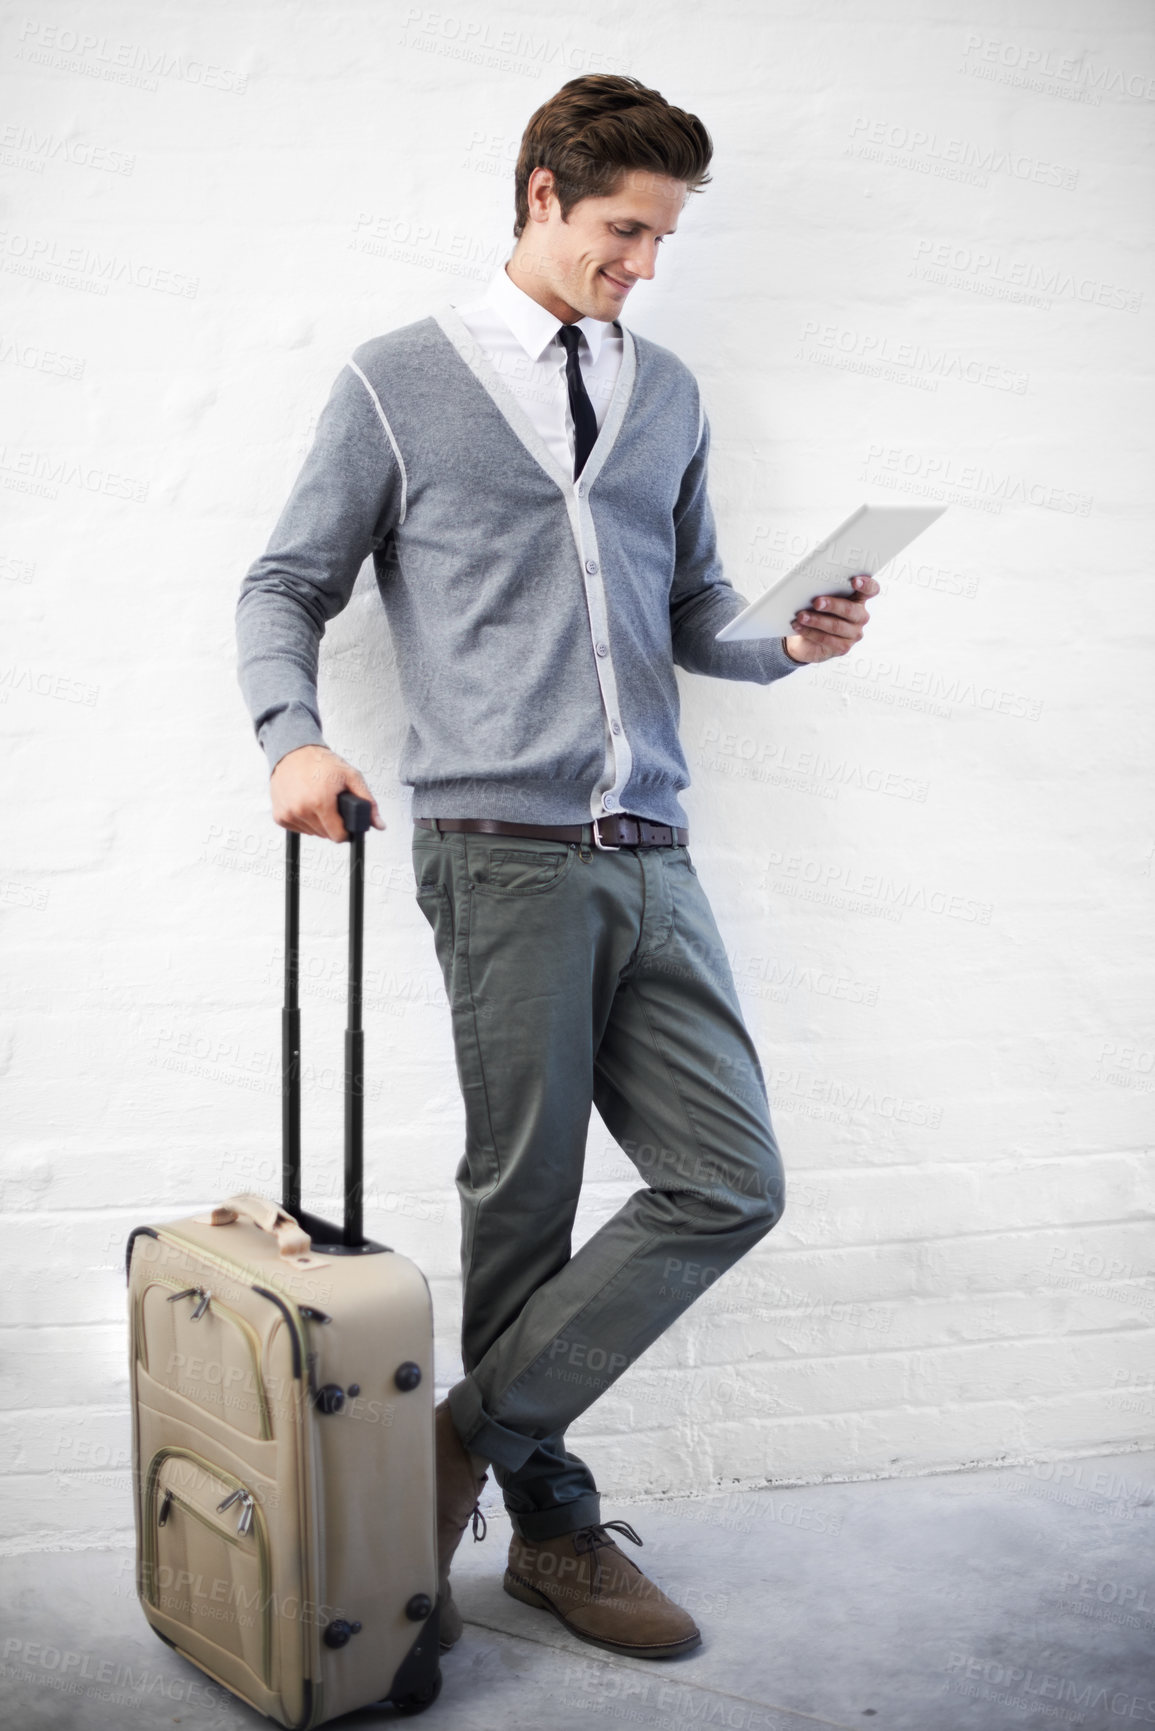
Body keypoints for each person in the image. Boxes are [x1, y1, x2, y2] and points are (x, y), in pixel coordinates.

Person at [235, 72, 879, 1663]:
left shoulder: (667, 395)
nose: (644, 265)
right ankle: (554, 1532)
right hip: (501, 857)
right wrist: (290, 738)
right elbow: (284, 583)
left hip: (656, 850)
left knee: (731, 1180)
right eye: (624, 230)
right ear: (542, 194)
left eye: (662, 238)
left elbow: (692, 611)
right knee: (518, 1210)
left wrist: (785, 641)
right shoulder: (398, 383)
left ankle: (455, 1439)